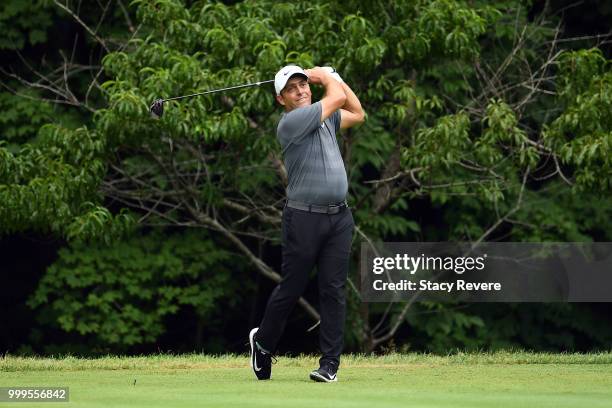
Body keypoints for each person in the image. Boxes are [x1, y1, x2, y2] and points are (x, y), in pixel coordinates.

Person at [249, 65, 365, 382]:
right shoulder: (292, 122)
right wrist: (327, 76)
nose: (301, 91)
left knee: (333, 291)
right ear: (280, 99)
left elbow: (358, 113)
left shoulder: (325, 119)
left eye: (304, 84)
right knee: (293, 287)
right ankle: (262, 343)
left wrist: (334, 79)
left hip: (339, 218)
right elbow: (338, 97)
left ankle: (329, 365)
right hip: (303, 218)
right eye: (292, 88)